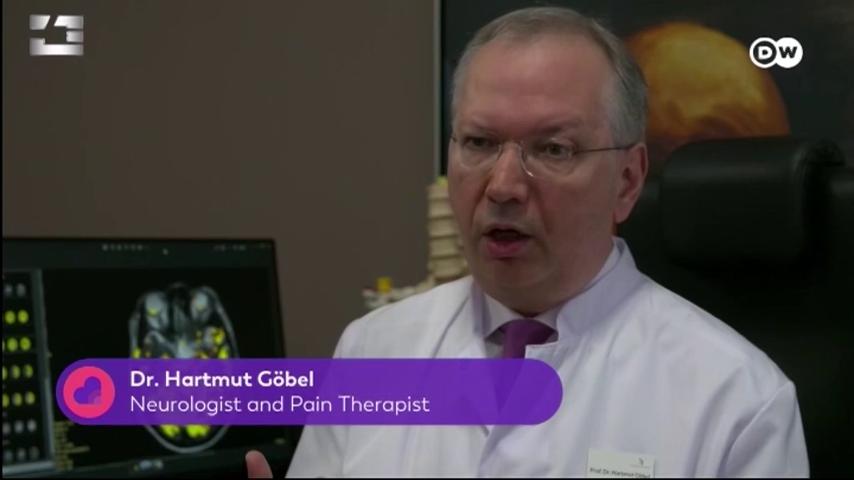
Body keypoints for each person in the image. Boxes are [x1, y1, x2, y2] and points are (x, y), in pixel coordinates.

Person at [247, 6, 808, 477]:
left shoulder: (736, 400)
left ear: (627, 181)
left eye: (554, 149)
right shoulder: (373, 350)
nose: (503, 186)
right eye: (479, 142)